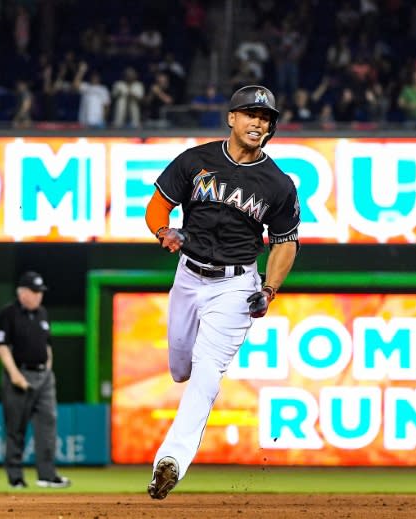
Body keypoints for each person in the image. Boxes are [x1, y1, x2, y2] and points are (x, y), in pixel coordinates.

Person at [143, 85, 300, 500]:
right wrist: (163, 230)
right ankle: (186, 387)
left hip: (235, 284)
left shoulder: (278, 183)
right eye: (251, 114)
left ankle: (170, 461)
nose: (258, 123)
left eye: (266, 118)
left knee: (207, 372)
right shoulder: (197, 160)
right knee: (181, 365)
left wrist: (269, 288)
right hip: (189, 275)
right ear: (231, 118)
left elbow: (285, 242)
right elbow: (158, 204)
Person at [0, 271, 72, 490]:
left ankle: (47, 475)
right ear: (22, 292)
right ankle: (15, 477)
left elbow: (48, 345)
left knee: (48, 426)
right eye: (34, 292)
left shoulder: (42, 313)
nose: (38, 296)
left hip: (43, 376)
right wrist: (14, 374)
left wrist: (48, 369)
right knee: (15, 428)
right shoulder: (8, 313)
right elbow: (0, 345)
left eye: (40, 292)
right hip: (19, 374)